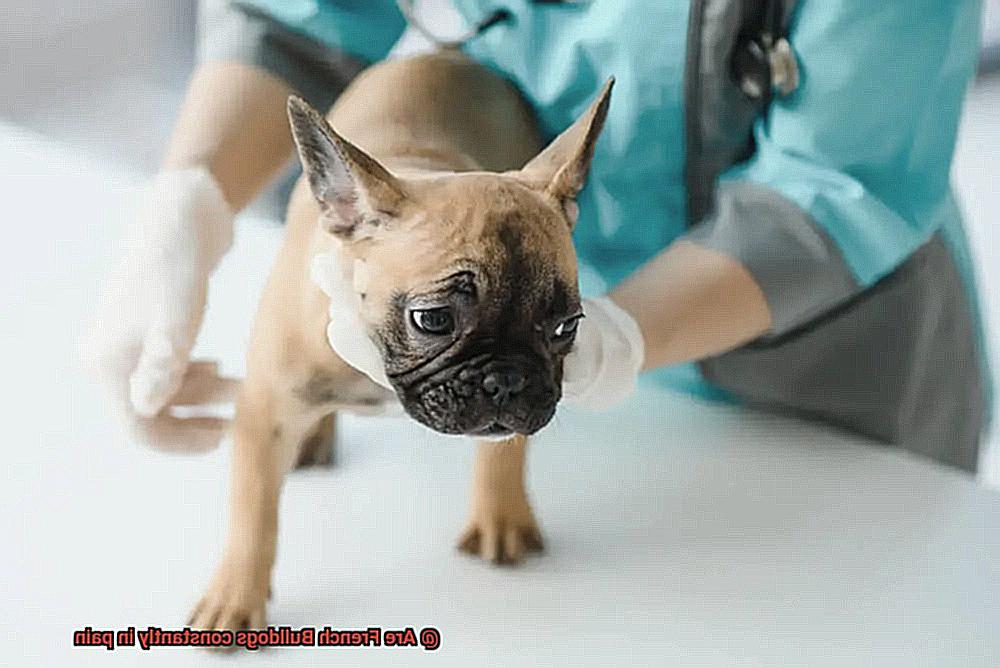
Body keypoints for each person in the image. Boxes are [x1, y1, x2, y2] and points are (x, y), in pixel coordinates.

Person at [88, 0, 991, 472]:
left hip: (812, 354)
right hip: (525, 318)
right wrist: (189, 199)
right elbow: (299, 17)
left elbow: (833, 183)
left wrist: (611, 337)